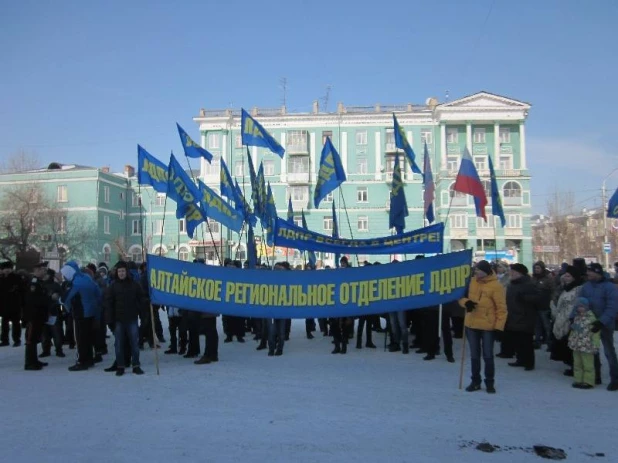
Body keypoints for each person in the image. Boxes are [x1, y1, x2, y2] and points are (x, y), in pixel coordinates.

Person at [458, 260, 507, 393]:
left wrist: (499, 327)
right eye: (475, 270)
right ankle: (475, 381)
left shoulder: (496, 286)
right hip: (471, 323)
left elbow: (501, 309)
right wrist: (466, 303)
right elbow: (460, 296)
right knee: (474, 355)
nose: (476, 272)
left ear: (486, 271)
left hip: (488, 326)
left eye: (479, 270)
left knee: (488, 355)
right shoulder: (471, 281)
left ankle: (489, 382)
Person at [580, 263, 618, 391]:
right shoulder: (586, 287)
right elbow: (581, 303)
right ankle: (595, 376)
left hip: (605, 324)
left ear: (597, 272)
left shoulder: (610, 287)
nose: (588, 274)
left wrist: (601, 322)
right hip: (589, 322)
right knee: (592, 350)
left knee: (609, 351)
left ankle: (615, 378)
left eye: (590, 272)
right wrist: (579, 317)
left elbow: (612, 307)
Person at [104, 261, 145, 376]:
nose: (121, 273)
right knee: (119, 344)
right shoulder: (113, 286)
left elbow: (141, 299)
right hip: (118, 320)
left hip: (132, 318)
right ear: (117, 273)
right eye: (119, 271)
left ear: (127, 272)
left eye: (123, 271)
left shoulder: (134, 285)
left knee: (134, 344)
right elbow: (108, 304)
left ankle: (136, 365)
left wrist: (143, 313)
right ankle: (120, 366)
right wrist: (109, 320)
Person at [61, 261, 103, 371]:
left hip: (81, 313)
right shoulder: (87, 277)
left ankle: (82, 361)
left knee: (80, 339)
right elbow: (98, 293)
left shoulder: (76, 283)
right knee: (88, 337)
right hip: (92, 312)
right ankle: (89, 359)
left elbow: (65, 299)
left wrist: (67, 307)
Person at [505, 263, 540, 372]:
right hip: (513, 315)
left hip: (525, 316)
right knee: (517, 340)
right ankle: (520, 359)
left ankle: (529, 362)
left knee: (526, 341)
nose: (511, 273)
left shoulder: (528, 284)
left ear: (520, 273)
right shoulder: (511, 284)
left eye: (513, 271)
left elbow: (537, 298)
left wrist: (526, 298)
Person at [549, 265, 582, 376]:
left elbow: (573, 306)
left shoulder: (578, 290)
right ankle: (572, 366)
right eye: (565, 276)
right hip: (561, 319)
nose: (565, 278)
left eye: (568, 276)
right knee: (565, 344)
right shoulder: (564, 288)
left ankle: (575, 367)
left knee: (572, 344)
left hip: (571, 320)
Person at [23, 262, 52, 370]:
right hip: (33, 315)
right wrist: (47, 299)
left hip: (39, 315)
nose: (45, 271)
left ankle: (34, 360)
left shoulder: (39, 282)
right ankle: (29, 362)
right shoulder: (33, 283)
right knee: (31, 338)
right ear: (37, 270)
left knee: (35, 338)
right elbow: (33, 300)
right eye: (43, 269)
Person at [568, 297, 601, 389]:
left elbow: (595, 333)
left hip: (587, 345)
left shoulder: (591, 317)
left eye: (582, 306)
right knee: (577, 363)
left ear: (586, 307)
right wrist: (571, 339)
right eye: (578, 306)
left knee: (588, 364)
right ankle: (578, 380)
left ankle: (588, 381)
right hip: (576, 345)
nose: (580, 308)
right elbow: (573, 331)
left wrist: (595, 344)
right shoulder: (576, 317)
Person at [40, 268, 65, 358]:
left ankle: (59, 350)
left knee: (56, 332)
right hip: (43, 311)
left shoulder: (55, 285)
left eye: (47, 274)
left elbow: (62, 296)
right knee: (44, 333)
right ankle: (45, 350)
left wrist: (57, 297)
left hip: (54, 311)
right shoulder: (40, 284)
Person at [531, 261, 555, 350]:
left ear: (542, 269)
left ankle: (550, 343)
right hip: (535, 305)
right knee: (537, 325)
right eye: (535, 268)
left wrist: (552, 301)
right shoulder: (533, 278)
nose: (536, 270)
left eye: (538, 268)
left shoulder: (548, 278)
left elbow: (553, 290)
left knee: (547, 325)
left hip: (545, 304)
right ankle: (537, 341)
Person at [0, 260, 24, 347]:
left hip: (15, 304)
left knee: (16, 323)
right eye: (5, 268)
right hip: (4, 304)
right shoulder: (1, 278)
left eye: (8, 268)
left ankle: (17, 340)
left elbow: (22, 290)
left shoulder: (17, 278)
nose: (6, 270)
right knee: (4, 324)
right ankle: (4, 340)